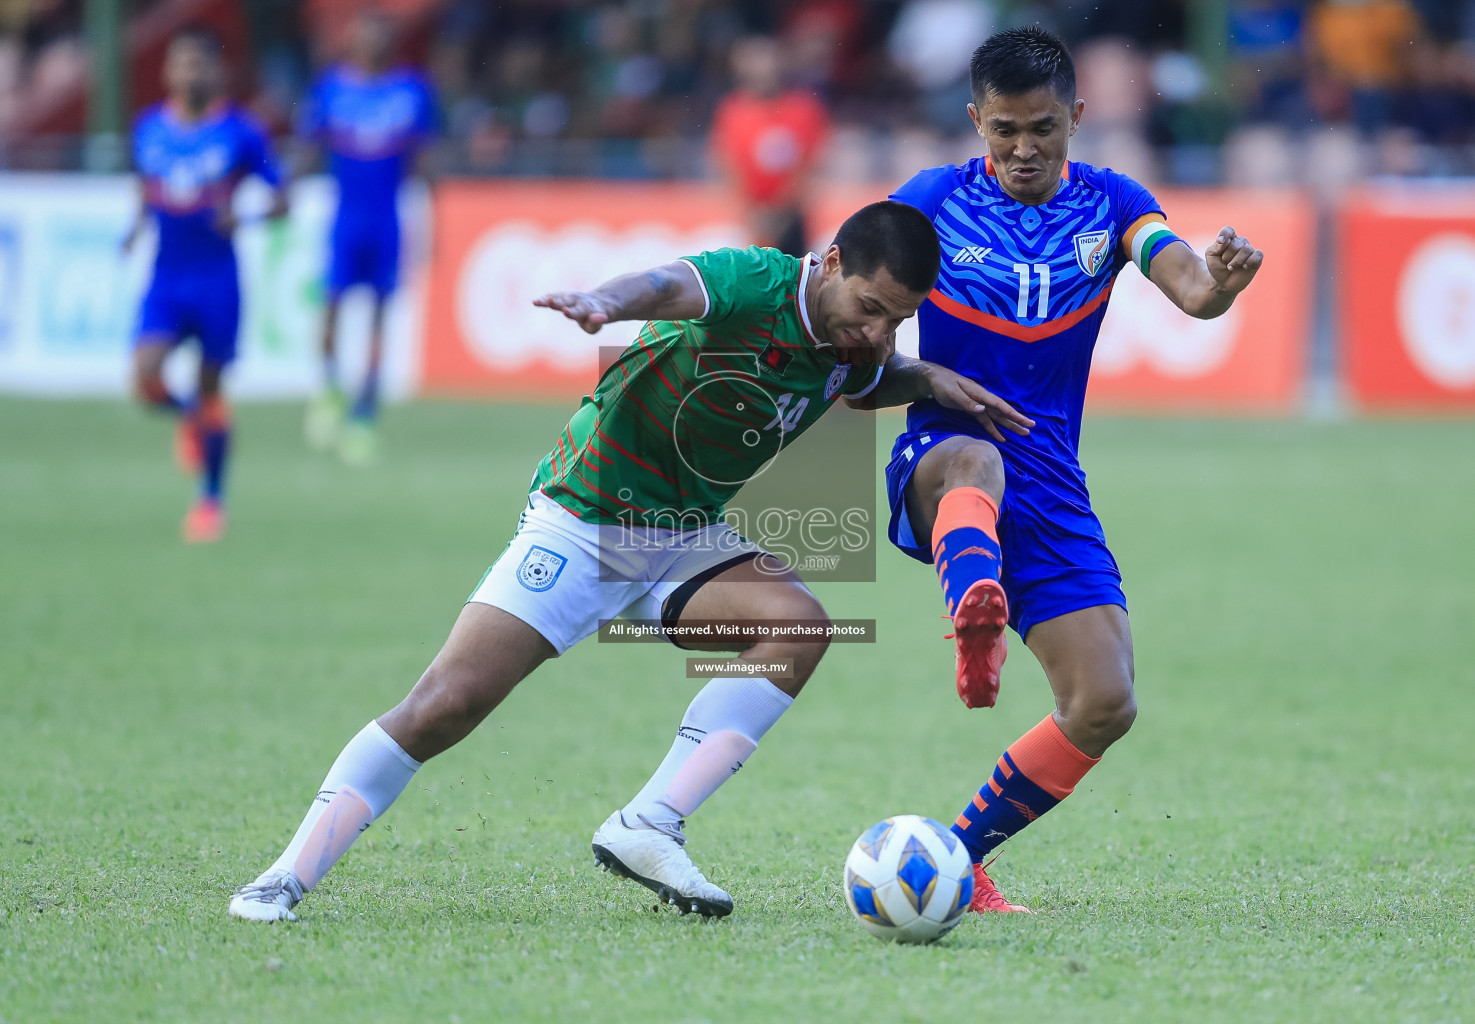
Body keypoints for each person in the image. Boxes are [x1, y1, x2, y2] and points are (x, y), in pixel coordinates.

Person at [227, 201, 1007, 923]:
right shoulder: (758, 281)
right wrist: (605, 301)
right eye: (871, 309)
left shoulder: (854, 346)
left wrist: (923, 374)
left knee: (796, 628)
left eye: (897, 320)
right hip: (586, 522)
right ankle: (285, 875)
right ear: (831, 262)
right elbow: (671, 284)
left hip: (682, 536)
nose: (877, 332)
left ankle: (648, 824)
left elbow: (863, 377)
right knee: (446, 704)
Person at [865, 27, 1264, 913]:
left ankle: (956, 861)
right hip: (939, 456)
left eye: (1042, 127)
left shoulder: (1116, 203)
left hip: (1049, 479)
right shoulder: (927, 202)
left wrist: (1223, 284)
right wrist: (920, 374)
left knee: (1103, 701)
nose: (1022, 148)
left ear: (1077, 118)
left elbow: (1191, 289)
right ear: (974, 120)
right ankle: (973, 608)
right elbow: (850, 328)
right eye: (1002, 128)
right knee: (972, 452)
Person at [123, 27, 288, 543]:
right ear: (168, 71)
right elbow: (146, 185)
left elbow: (282, 199)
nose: (190, 72)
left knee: (212, 385)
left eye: (200, 63)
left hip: (218, 280)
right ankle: (193, 418)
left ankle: (211, 501)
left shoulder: (242, 132)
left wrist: (247, 220)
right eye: (182, 63)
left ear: (218, 72)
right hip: (166, 278)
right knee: (146, 376)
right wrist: (136, 227)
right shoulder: (148, 127)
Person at [298, 11, 437, 464]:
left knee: (380, 314)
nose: (370, 43)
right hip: (345, 221)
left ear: (390, 42)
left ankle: (365, 410)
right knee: (333, 307)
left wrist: (433, 221)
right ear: (352, 42)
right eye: (363, 35)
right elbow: (307, 149)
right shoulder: (332, 89)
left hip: (387, 222)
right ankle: (330, 385)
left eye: (378, 35)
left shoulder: (411, 92)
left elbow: (425, 162)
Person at [710, 35, 830, 257]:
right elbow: (729, 163)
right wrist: (752, 212)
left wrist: (780, 212)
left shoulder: (803, 108)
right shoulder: (733, 110)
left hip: (792, 217)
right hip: (753, 217)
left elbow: (809, 165)